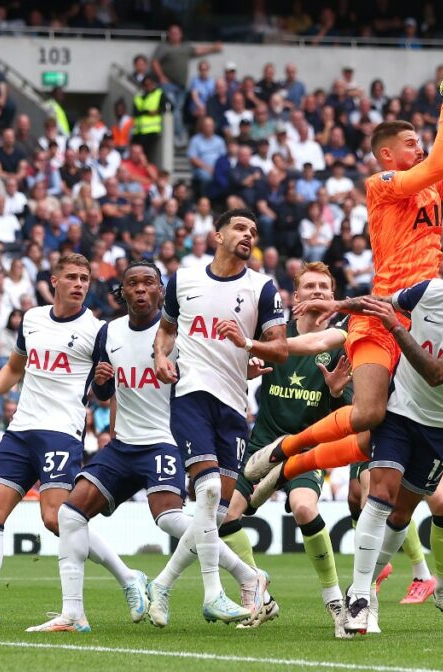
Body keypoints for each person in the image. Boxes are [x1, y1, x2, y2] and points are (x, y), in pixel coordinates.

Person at [246, 58, 443, 482]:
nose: (419, 148)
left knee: (368, 440)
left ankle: (289, 465)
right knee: (367, 413)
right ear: (387, 154)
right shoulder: (381, 183)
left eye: (420, 142)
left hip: (423, 318)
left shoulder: (431, 185)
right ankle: (284, 451)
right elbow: (438, 164)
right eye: (411, 142)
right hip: (385, 311)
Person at [28, 261, 265, 633]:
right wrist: (103, 384)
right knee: (70, 515)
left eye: (149, 283)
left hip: (165, 442)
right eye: (132, 284)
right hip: (123, 445)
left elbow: (214, 371)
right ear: (122, 292)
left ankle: (244, 574)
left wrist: (246, 366)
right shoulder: (109, 333)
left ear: (161, 292)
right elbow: (105, 391)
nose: (140, 290)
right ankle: (73, 614)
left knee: (170, 518)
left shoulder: (178, 335)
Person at [330, 250, 443, 635]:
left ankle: (441, 591)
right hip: (397, 412)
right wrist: (335, 303)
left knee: (401, 515)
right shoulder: (431, 290)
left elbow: (437, 373)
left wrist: (397, 327)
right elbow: (382, 303)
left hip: (438, 426)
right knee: (380, 495)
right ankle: (360, 598)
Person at [0, 253, 103, 627]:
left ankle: (127, 576)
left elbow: (107, 383)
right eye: (72, 277)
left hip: (61, 431)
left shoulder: (97, 330)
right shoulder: (32, 319)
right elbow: (15, 367)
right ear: (54, 280)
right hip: (21, 428)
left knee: (55, 518)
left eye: (85, 278)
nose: (79, 284)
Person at [148, 208, 287, 626]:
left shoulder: (262, 287)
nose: (248, 235)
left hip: (233, 404)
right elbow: (167, 329)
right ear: (218, 235)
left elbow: (279, 349)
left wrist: (247, 344)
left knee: (219, 513)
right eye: (240, 228)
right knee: (207, 491)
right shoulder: (184, 279)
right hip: (191, 394)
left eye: (253, 231)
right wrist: (159, 355)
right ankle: (215, 594)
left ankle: (168, 583)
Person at [221, 261, 353, 635]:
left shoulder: (344, 342)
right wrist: (248, 368)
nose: (316, 293)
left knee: (303, 507)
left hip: (306, 447)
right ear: (295, 297)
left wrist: (338, 390)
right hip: (263, 443)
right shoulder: (275, 337)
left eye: (323, 288)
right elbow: (242, 369)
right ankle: (257, 594)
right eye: (309, 287)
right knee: (225, 516)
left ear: (333, 296)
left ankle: (334, 601)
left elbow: (350, 416)